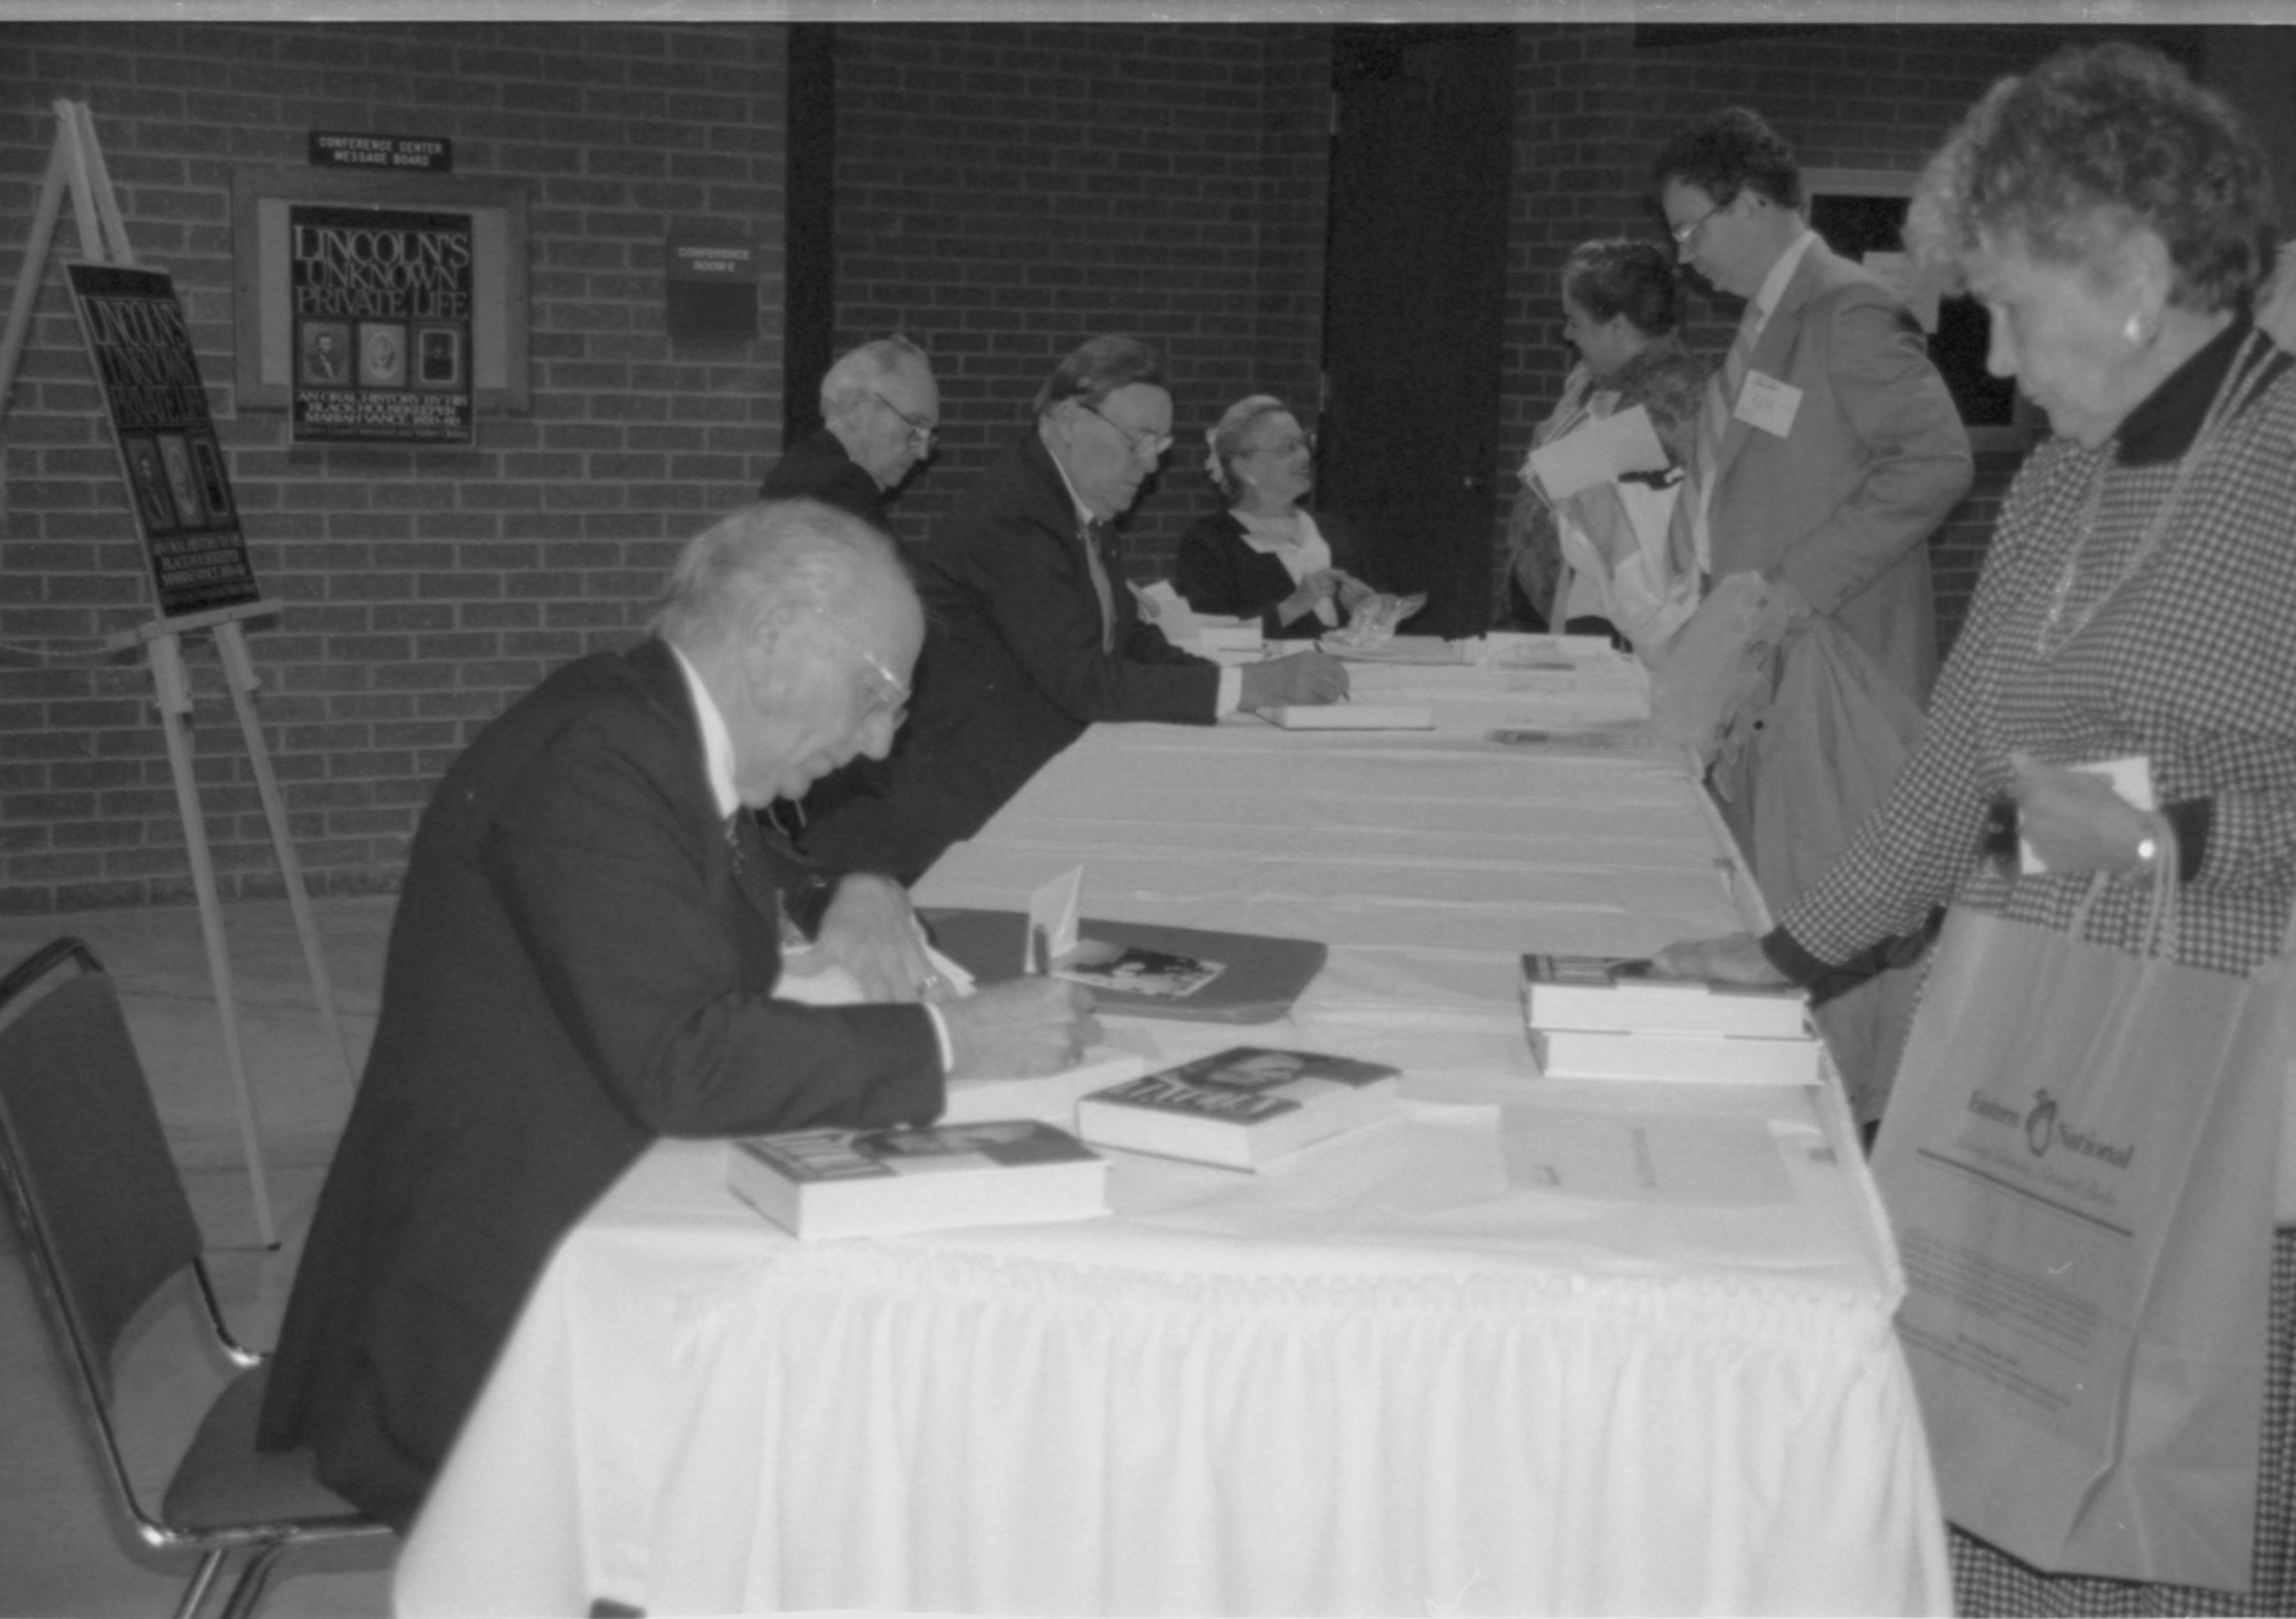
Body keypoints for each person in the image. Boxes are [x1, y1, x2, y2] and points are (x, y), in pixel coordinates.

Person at [1657, 43, 2296, 1615]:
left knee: (2163, 1479)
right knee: (1989, 1448)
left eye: (2011, 308)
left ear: (2137, 276)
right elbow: (1949, 780)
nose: (1997, 361)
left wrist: (2176, 835)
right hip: (2021, 1052)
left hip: (2220, 1070)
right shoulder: (2060, 488)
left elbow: (2159, 817)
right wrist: (1781, 955)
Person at [256, 499, 1099, 1530]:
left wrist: (850, 883)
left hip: (559, 1219)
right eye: (877, 694)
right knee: (862, 1439)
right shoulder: (594, 761)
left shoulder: (640, 719)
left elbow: (720, 865)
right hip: (488, 1319)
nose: (881, 742)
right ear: (775, 638)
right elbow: (685, 1061)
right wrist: (959, 1039)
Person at [798, 335, 1349, 884]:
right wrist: (1252, 689)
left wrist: (1243, 681)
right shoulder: (1015, 518)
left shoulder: (1077, 507)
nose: (1151, 462)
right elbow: (1084, 680)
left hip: (1016, 787)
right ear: (1067, 419)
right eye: (1139, 438)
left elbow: (1129, 640)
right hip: (951, 824)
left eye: (1159, 444)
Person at [1506, 238, 1706, 656]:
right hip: (1558, 598)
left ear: (1617, 325)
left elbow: (1554, 472)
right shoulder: (1600, 380)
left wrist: (1558, 444)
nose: (1566, 335)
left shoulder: (1671, 397)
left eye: (1575, 323)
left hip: (1612, 616)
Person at [1175, 395, 1376, 640]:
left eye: (1305, 444)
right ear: (1243, 467)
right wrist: (1291, 608)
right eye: (1288, 447)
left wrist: (1369, 611)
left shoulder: (1337, 532)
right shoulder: (1209, 542)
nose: (1304, 456)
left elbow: (1368, 635)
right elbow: (1208, 637)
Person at [758, 336, 940, 529]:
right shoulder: (837, 486)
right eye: (915, 423)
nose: (922, 452)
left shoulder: (803, 469)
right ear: (857, 407)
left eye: (928, 433)